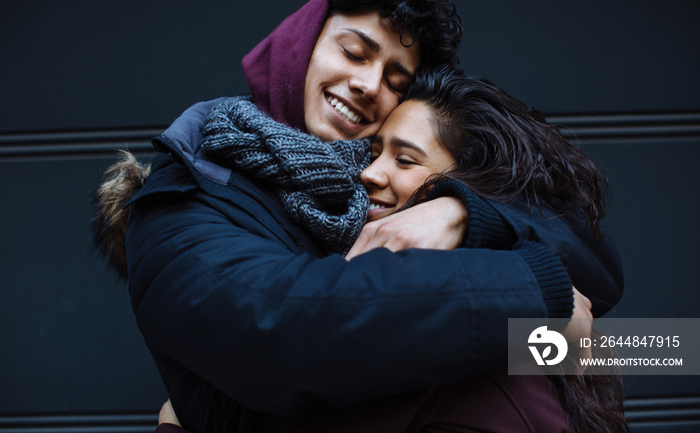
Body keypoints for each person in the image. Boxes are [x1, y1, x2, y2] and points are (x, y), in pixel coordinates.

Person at [92, 0, 623, 432]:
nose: (369, 84)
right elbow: (284, 330)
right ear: (301, 43)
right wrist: (535, 289)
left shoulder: (406, 195)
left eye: (396, 79)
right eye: (354, 51)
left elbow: (609, 296)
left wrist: (463, 212)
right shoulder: (183, 196)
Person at [155, 66, 628, 432]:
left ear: (469, 181)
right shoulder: (482, 328)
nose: (368, 174)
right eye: (372, 152)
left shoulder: (482, 364)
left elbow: (641, 346)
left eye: (403, 159)